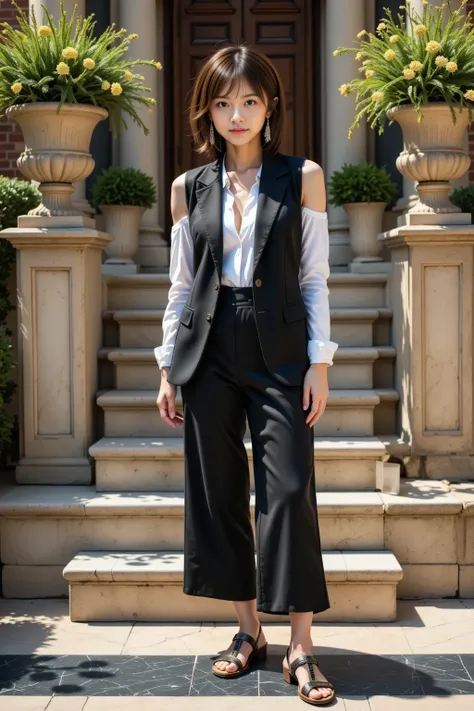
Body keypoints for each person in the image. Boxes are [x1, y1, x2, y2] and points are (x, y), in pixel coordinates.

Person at [155, 43, 338, 706]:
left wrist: (320, 360)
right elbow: (181, 287)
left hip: (281, 346)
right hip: (208, 350)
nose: (237, 114)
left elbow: (314, 277)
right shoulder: (187, 188)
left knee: (288, 488)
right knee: (219, 492)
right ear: (208, 108)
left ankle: (302, 644)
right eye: (224, 102)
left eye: (250, 101)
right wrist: (168, 367)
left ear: (271, 107)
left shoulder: (303, 176)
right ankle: (248, 630)